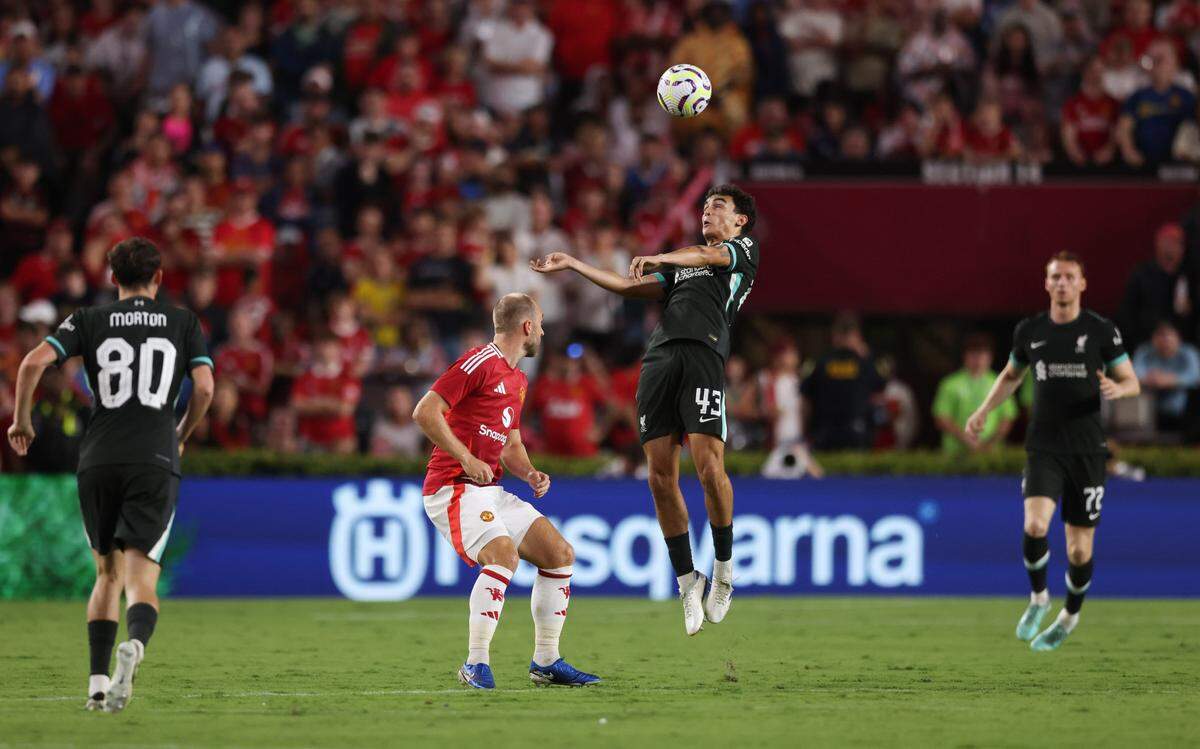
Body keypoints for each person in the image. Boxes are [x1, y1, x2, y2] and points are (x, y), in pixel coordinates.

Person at [532, 184, 760, 635]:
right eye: (705, 207)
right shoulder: (681, 267)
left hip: (704, 354)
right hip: (660, 359)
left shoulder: (740, 251)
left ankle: (724, 572)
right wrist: (574, 264)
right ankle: (686, 580)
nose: (708, 212)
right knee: (658, 476)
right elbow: (626, 285)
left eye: (719, 207)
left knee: (709, 467)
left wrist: (663, 256)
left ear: (739, 222)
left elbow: (707, 257)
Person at [6, 237, 215, 711]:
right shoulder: (183, 322)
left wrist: (22, 420)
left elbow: (32, 363)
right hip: (155, 458)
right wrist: (181, 430)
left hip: (97, 456)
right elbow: (204, 387)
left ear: (112, 277)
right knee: (143, 580)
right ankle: (135, 648)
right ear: (158, 278)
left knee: (106, 573)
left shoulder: (88, 319)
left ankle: (97, 684)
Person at [412, 293, 599, 689]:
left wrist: (529, 473)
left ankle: (546, 661)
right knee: (503, 556)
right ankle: (474, 663)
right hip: (453, 486)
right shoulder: (478, 362)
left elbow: (510, 444)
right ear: (527, 326)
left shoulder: (517, 379)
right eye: (541, 322)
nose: (544, 330)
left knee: (559, 553)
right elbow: (425, 411)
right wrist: (465, 457)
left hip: (488, 488)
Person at [967, 252, 1140, 651]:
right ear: (1046, 284)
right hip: (1044, 445)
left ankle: (1070, 614)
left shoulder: (1101, 330)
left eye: (1069, 277)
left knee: (1079, 550)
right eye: (1055, 277)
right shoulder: (1030, 331)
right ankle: (1039, 598)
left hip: (1087, 450)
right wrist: (983, 411)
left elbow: (1132, 380)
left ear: (1082, 284)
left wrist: (1119, 388)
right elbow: (1011, 375)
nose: (1062, 283)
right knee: (1035, 525)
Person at [800, 313, 885, 450]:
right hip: (857, 431)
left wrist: (805, 431)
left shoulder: (819, 362)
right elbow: (880, 393)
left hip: (825, 431)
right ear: (857, 336)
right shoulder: (866, 363)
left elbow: (805, 401)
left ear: (835, 336)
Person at [933, 333, 1017, 455]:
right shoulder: (950, 384)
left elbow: (1007, 418)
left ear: (990, 357)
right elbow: (941, 417)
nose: (978, 359)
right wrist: (965, 438)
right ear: (965, 356)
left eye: (982, 354)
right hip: (955, 455)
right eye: (973, 355)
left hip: (992, 454)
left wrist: (990, 443)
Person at [1132, 320, 1200, 431]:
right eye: (1161, 335)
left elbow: (1195, 376)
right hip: (1150, 409)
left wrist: (1171, 380)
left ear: (1178, 338)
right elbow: (1134, 375)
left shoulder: (1188, 352)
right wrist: (1152, 379)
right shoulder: (1144, 351)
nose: (1165, 341)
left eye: (1169, 336)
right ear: (1153, 338)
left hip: (1183, 409)